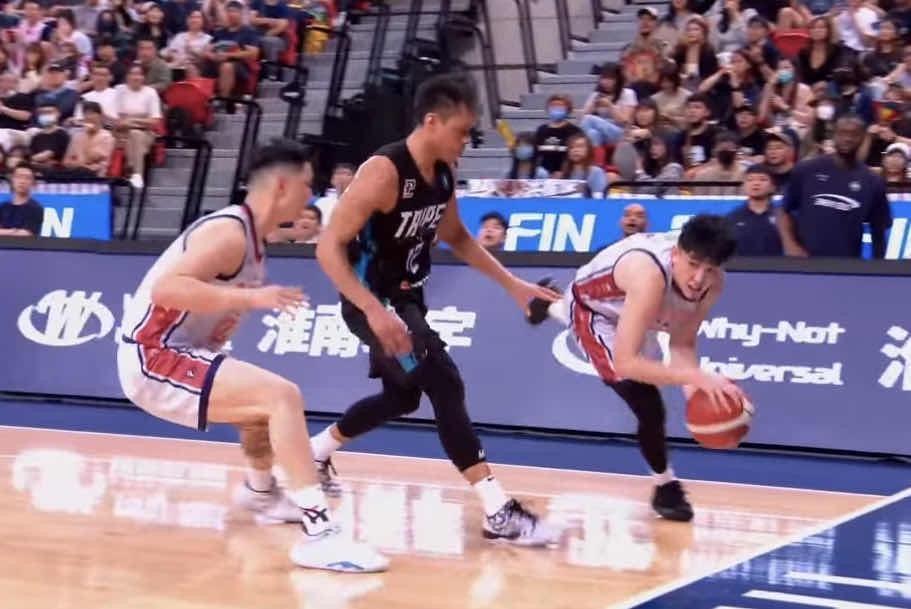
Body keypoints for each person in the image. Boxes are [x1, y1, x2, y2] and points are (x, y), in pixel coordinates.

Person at [311, 74, 561, 546]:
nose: (467, 141)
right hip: (371, 300)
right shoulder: (383, 172)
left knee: (402, 398)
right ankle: (498, 510)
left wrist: (514, 286)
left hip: (406, 299)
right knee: (444, 382)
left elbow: (458, 238)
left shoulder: (443, 174)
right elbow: (328, 247)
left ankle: (315, 452)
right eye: (461, 131)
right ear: (431, 122)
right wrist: (373, 310)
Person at [115, 140, 388, 573]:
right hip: (153, 355)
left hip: (180, 349)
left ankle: (261, 493)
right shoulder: (229, 233)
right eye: (306, 185)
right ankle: (319, 534)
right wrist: (253, 298)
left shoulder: (254, 240)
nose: (310, 195)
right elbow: (167, 289)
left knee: (262, 411)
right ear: (281, 186)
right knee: (281, 397)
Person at [527, 215, 746, 521]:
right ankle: (665, 486)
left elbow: (681, 346)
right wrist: (695, 376)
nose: (698, 279)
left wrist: (698, 394)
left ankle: (548, 306)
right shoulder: (649, 274)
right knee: (647, 402)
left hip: (637, 306)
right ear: (676, 253)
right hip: (593, 309)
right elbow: (626, 363)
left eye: (710, 269)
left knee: (652, 359)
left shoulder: (712, 285)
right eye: (693, 264)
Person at [778, 114, 893, 258]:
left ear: (863, 138)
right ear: (833, 135)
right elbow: (784, 211)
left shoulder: (873, 181)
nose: (848, 139)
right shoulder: (807, 169)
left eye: (854, 134)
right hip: (805, 263)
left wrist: (878, 267)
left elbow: (878, 230)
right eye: (842, 133)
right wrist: (790, 246)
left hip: (846, 265)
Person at [726, 164, 783, 256]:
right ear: (743, 186)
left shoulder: (782, 218)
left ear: (773, 187)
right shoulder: (732, 218)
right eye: (750, 179)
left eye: (762, 179)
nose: (756, 183)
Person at [0, 164, 44, 237]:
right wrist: (14, 231)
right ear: (12, 180)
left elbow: (27, 234)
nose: (22, 181)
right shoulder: (3, 207)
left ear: (33, 183)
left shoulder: (36, 208)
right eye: (19, 177)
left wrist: (6, 232)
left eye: (27, 178)